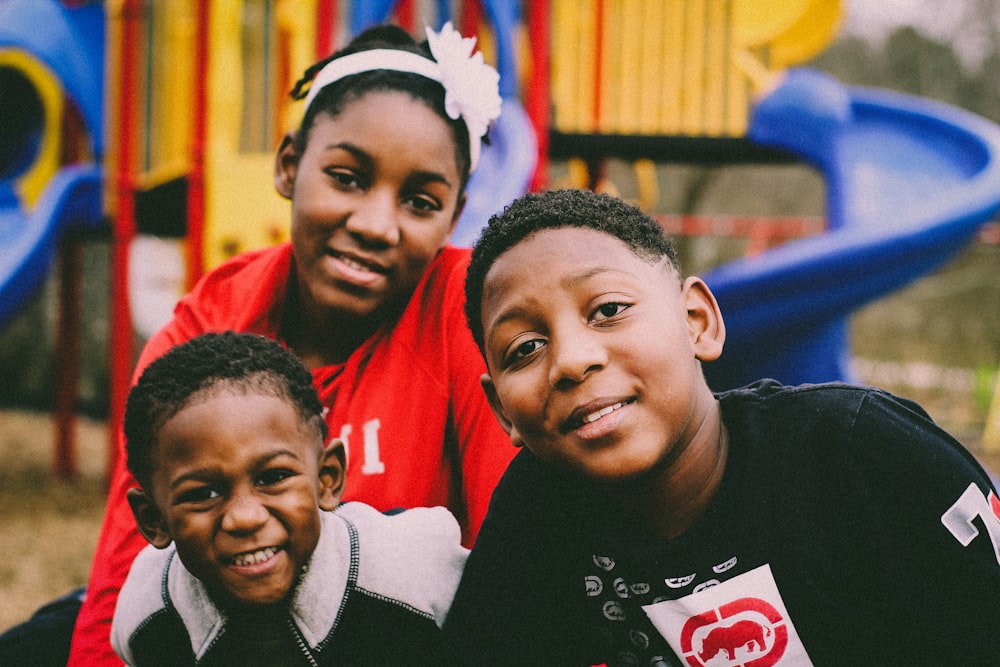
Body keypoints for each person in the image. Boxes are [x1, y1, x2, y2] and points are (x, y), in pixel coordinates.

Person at [66, 22, 516, 665]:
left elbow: (518, 562)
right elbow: (125, 572)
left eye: (420, 201)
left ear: (455, 211)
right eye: (347, 177)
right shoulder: (210, 324)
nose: (375, 224)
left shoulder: (467, 312)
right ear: (288, 165)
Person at [442, 188, 1000, 665]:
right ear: (501, 411)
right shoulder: (537, 515)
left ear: (698, 324)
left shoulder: (862, 452)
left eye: (608, 309)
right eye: (525, 348)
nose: (570, 360)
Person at [110, 332, 467, 665]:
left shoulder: (416, 583)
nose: (245, 517)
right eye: (203, 494)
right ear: (153, 519)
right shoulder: (150, 619)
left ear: (327, 479)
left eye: (273, 478)